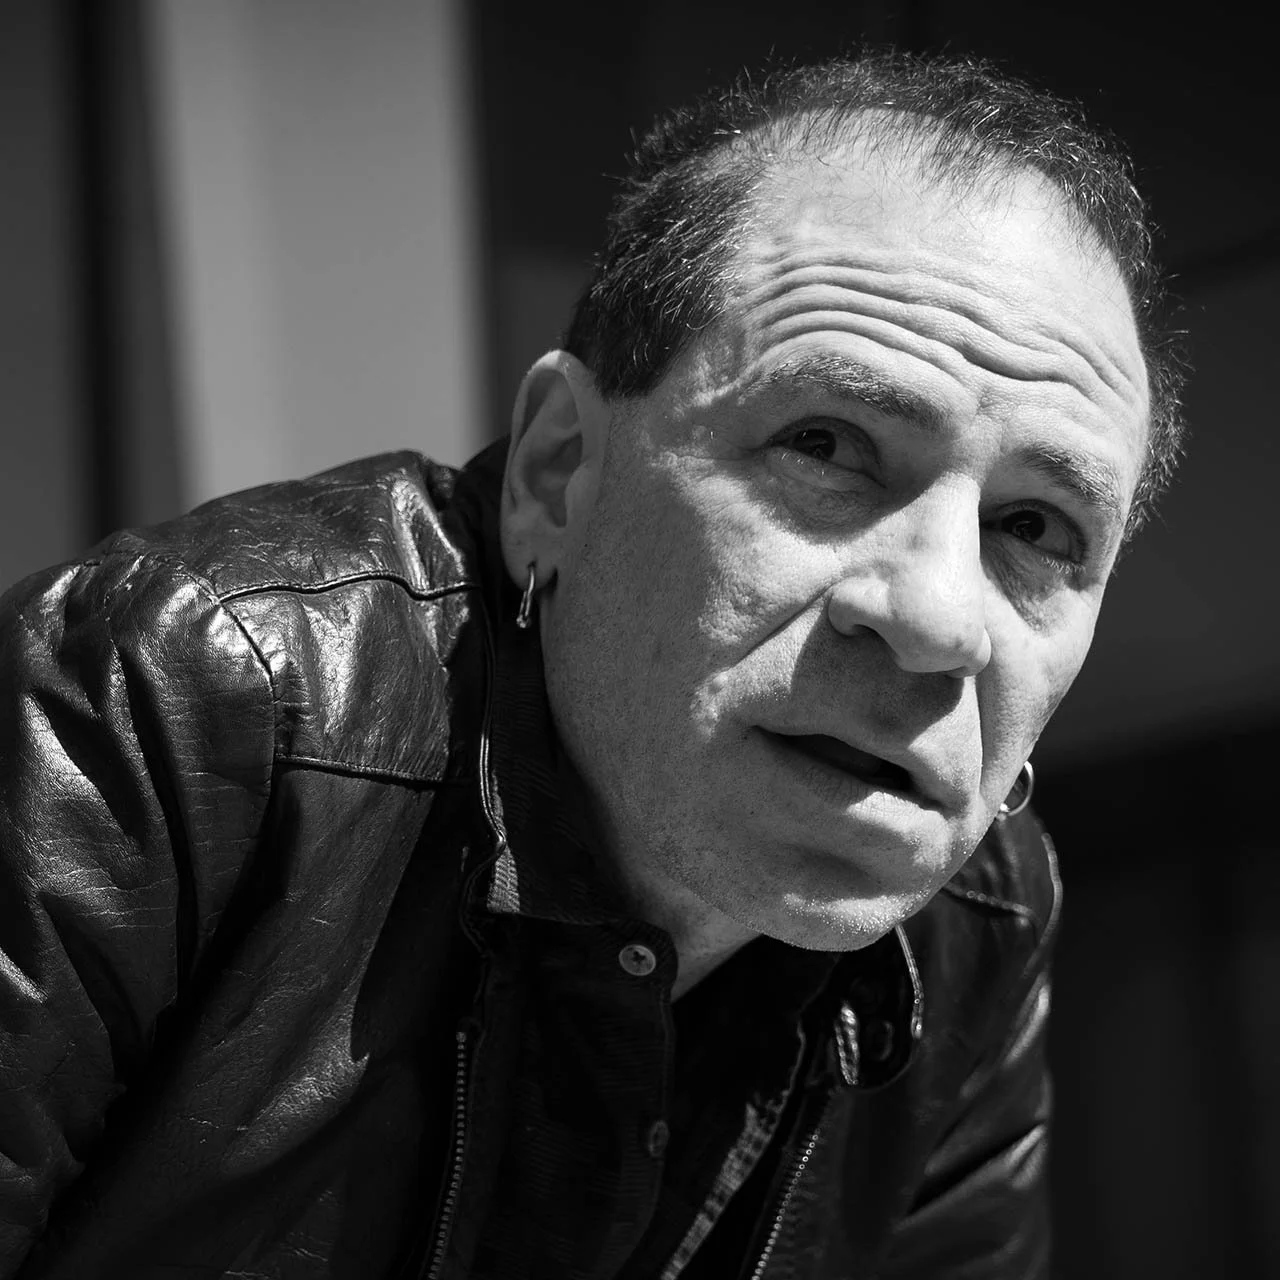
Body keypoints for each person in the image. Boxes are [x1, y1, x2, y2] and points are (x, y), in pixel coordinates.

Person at [0, 48, 1183, 1280]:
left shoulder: (977, 920)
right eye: (826, 445)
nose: (937, 617)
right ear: (559, 469)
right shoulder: (176, 699)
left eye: (1035, 526)